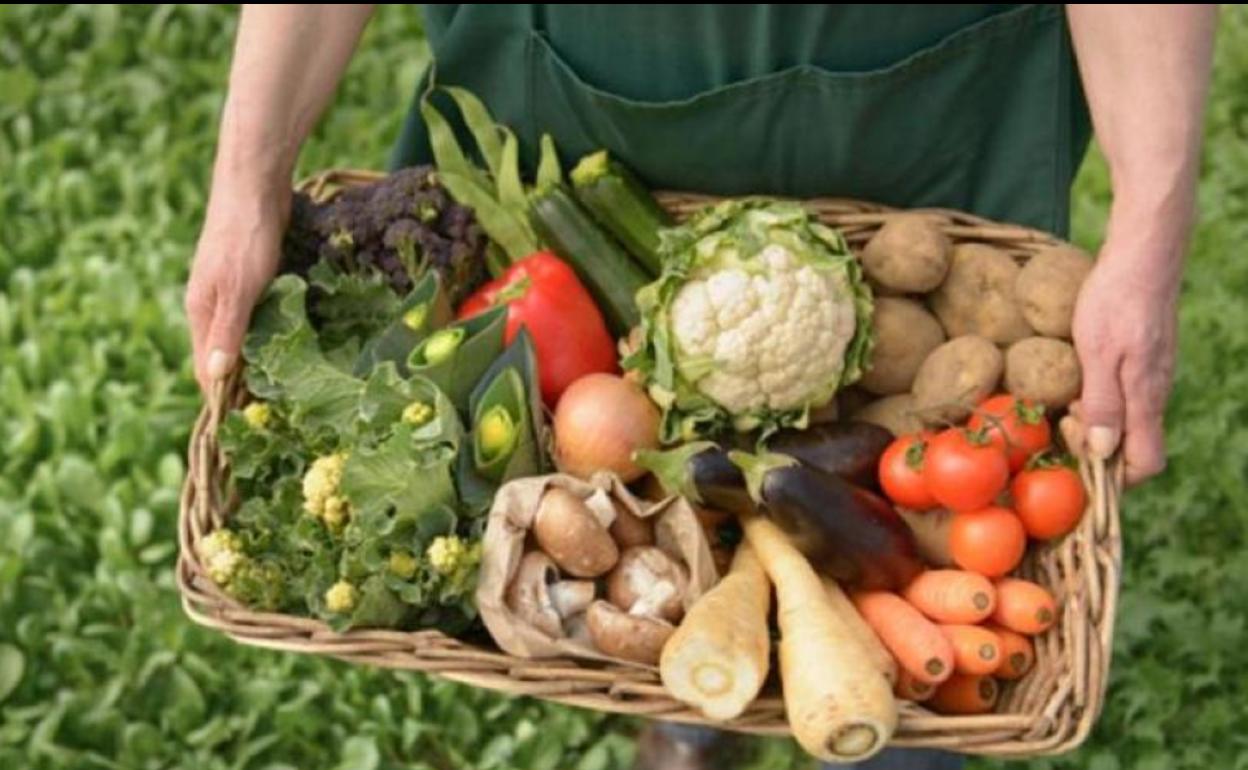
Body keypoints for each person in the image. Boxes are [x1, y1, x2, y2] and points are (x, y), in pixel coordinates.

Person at [185, 5, 1216, 769]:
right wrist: (245, 178)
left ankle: (915, 713)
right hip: (581, 76)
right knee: (691, 482)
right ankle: (699, 687)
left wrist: (1153, 226)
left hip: (925, 92)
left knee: (920, 511)